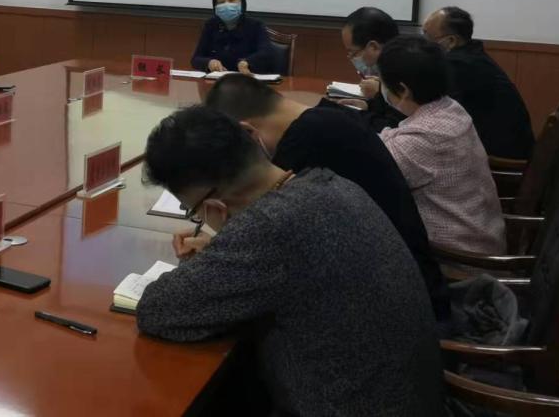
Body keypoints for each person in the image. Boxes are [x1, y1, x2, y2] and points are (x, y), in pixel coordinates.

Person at [137, 105, 445, 415]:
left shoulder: (268, 228)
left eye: (194, 212)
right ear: (251, 137)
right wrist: (226, 252)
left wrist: (218, 255)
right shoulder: (329, 182)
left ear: (215, 207)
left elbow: (158, 309)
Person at [205, 73, 450, 324]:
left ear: (247, 131)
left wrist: (216, 244)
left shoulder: (303, 145)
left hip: (395, 311)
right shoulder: (328, 117)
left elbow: (259, 249)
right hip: (411, 287)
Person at [378, 35, 506, 254]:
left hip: (457, 260)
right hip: (482, 238)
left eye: (382, 82)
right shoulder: (450, 108)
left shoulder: (423, 138)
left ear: (403, 90)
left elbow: (374, 166)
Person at [423, 6, 534, 160]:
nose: (423, 44)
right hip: (515, 145)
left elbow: (437, 112)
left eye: (428, 38)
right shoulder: (472, 56)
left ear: (451, 41)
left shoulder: (459, 64)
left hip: (499, 154)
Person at [190, 0, 274, 74]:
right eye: (221, 2)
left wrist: (247, 62)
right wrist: (209, 62)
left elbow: (267, 54)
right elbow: (196, 59)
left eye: (232, 0)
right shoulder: (210, 25)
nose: (227, 5)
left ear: (242, 2)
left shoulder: (256, 26)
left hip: (247, 80)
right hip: (218, 81)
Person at [340, 6, 403, 130]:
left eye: (353, 52)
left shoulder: (405, 72)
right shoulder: (390, 66)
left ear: (373, 47)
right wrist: (368, 106)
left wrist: (378, 94)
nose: (351, 58)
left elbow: (393, 127)